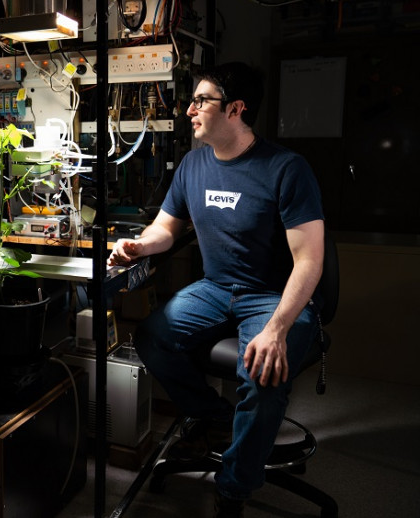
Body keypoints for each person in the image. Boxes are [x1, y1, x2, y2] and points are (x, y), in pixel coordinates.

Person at [107, 62, 324, 518]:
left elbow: (309, 259)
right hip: (214, 288)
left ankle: (233, 488)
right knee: (152, 336)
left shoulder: (286, 169)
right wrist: (139, 245)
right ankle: (217, 419)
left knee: (262, 372)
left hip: (273, 295)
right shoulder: (193, 164)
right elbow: (167, 227)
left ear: (236, 109)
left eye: (201, 100)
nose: (189, 110)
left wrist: (278, 328)